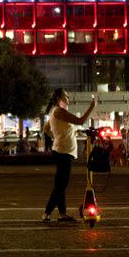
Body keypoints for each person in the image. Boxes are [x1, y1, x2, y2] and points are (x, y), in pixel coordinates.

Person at [42, 88, 96, 222]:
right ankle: (47, 213)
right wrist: (92, 107)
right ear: (59, 98)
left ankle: (62, 214)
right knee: (61, 185)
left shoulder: (54, 111)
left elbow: (46, 129)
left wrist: (57, 136)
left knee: (60, 184)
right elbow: (80, 121)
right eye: (66, 96)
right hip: (63, 152)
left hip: (61, 150)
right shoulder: (60, 111)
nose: (68, 99)